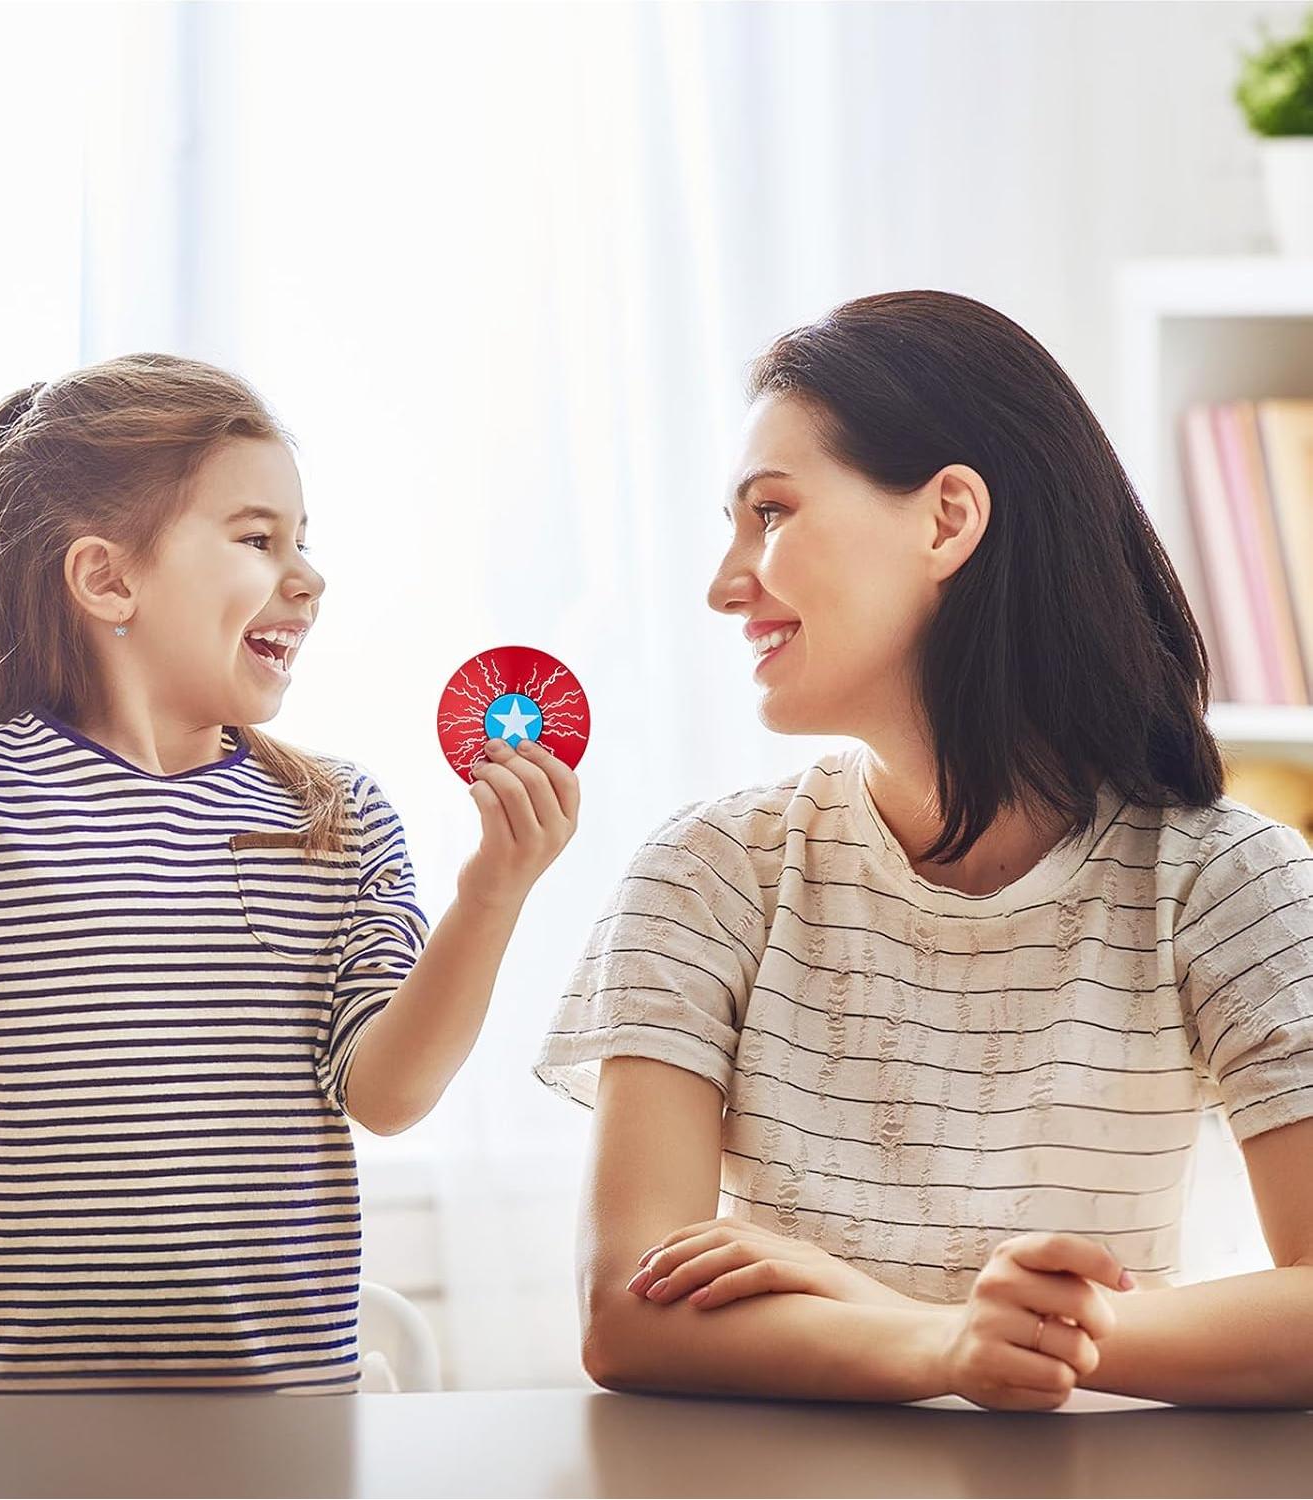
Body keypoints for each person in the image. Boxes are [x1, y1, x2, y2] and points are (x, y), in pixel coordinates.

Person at [533, 290, 1313, 1411]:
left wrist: (933, 1326)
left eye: (771, 514)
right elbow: (626, 1313)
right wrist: (947, 1351)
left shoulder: (1224, 885)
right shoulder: (712, 874)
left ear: (947, 519)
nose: (725, 583)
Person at [0, 353, 579, 1393]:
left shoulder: (339, 818)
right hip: (1, 1428)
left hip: (279, 1422)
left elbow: (389, 1093)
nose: (305, 576)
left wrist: (493, 893)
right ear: (107, 578)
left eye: (303, 542)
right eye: (258, 539)